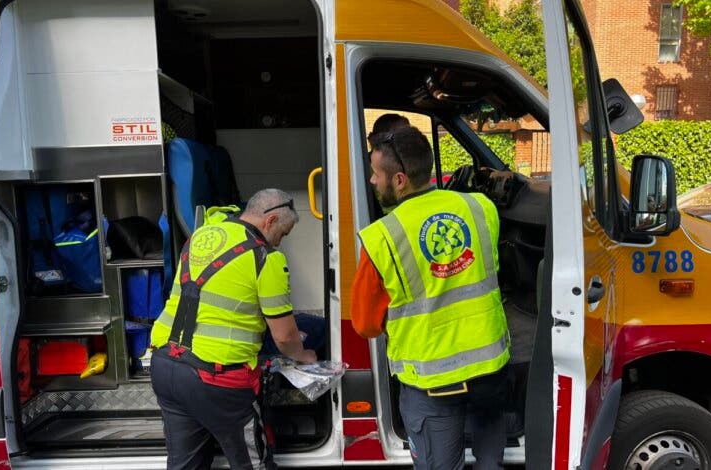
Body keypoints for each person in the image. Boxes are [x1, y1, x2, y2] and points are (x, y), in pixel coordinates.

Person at [351, 126, 510, 470]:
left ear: (399, 180)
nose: (372, 181)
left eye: (376, 174)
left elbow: (365, 325)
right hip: (490, 368)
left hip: (433, 383)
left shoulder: (381, 238)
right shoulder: (480, 207)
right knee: (490, 462)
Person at [150, 188, 317, 470]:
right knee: (252, 464)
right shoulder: (266, 258)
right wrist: (302, 355)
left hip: (166, 367)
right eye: (282, 234)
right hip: (217, 379)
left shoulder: (203, 234)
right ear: (270, 220)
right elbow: (285, 336)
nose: (280, 242)